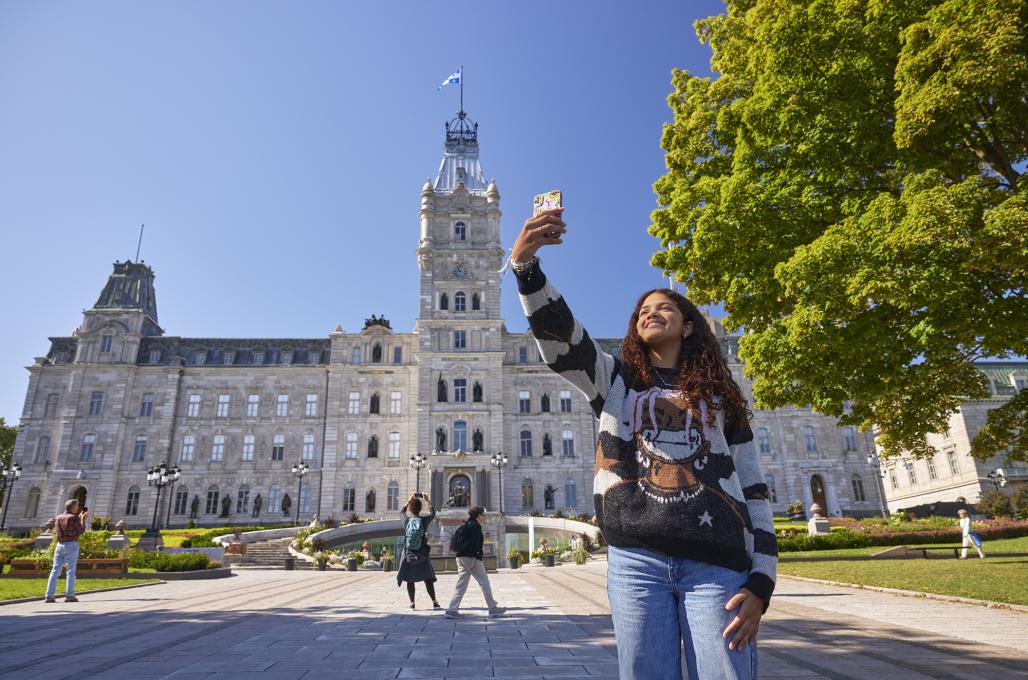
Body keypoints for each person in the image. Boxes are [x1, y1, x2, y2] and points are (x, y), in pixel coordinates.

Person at [509, 206, 777, 679]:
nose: (652, 313)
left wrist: (762, 580)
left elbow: (753, 486)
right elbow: (563, 343)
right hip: (637, 562)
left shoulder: (718, 397)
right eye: (643, 311)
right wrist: (527, 270)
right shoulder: (615, 379)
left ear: (688, 325)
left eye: (665, 307)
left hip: (717, 564)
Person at [445, 506, 505, 618]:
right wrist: (475, 558)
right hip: (471, 558)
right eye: (483, 515)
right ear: (478, 516)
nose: (484, 517)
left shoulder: (466, 524)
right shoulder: (475, 526)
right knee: (484, 582)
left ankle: (452, 609)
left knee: (461, 584)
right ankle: (492, 608)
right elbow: (475, 545)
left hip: (460, 557)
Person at [396, 493, 441, 610]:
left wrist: (409, 500)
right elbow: (433, 513)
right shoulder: (423, 521)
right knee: (427, 578)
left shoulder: (406, 521)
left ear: (410, 509)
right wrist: (427, 501)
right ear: (420, 509)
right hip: (422, 553)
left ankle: (412, 603)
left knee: (410, 579)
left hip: (409, 553)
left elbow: (401, 512)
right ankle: (435, 602)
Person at [44, 499, 88, 603]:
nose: (78, 507)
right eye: (77, 505)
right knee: (71, 570)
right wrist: (82, 519)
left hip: (59, 545)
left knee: (55, 570)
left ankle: (49, 595)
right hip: (71, 545)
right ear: (73, 507)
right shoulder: (74, 518)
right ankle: (70, 595)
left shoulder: (58, 517)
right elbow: (81, 531)